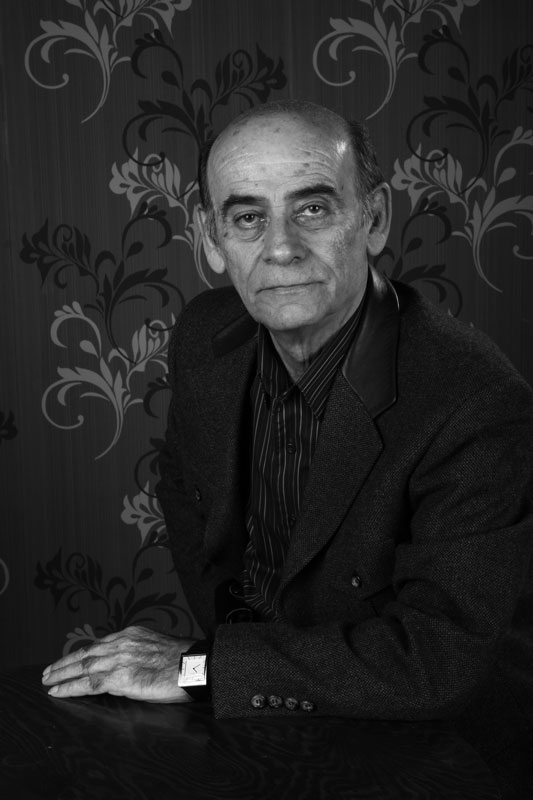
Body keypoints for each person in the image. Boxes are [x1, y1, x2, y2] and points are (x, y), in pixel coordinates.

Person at [42, 100, 533, 795]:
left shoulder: (473, 401)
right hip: (263, 726)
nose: (280, 248)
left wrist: (201, 669)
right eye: (247, 218)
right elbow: (188, 498)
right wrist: (243, 683)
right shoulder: (206, 334)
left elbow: (437, 661)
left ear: (373, 219)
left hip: (438, 756)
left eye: (313, 209)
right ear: (212, 241)